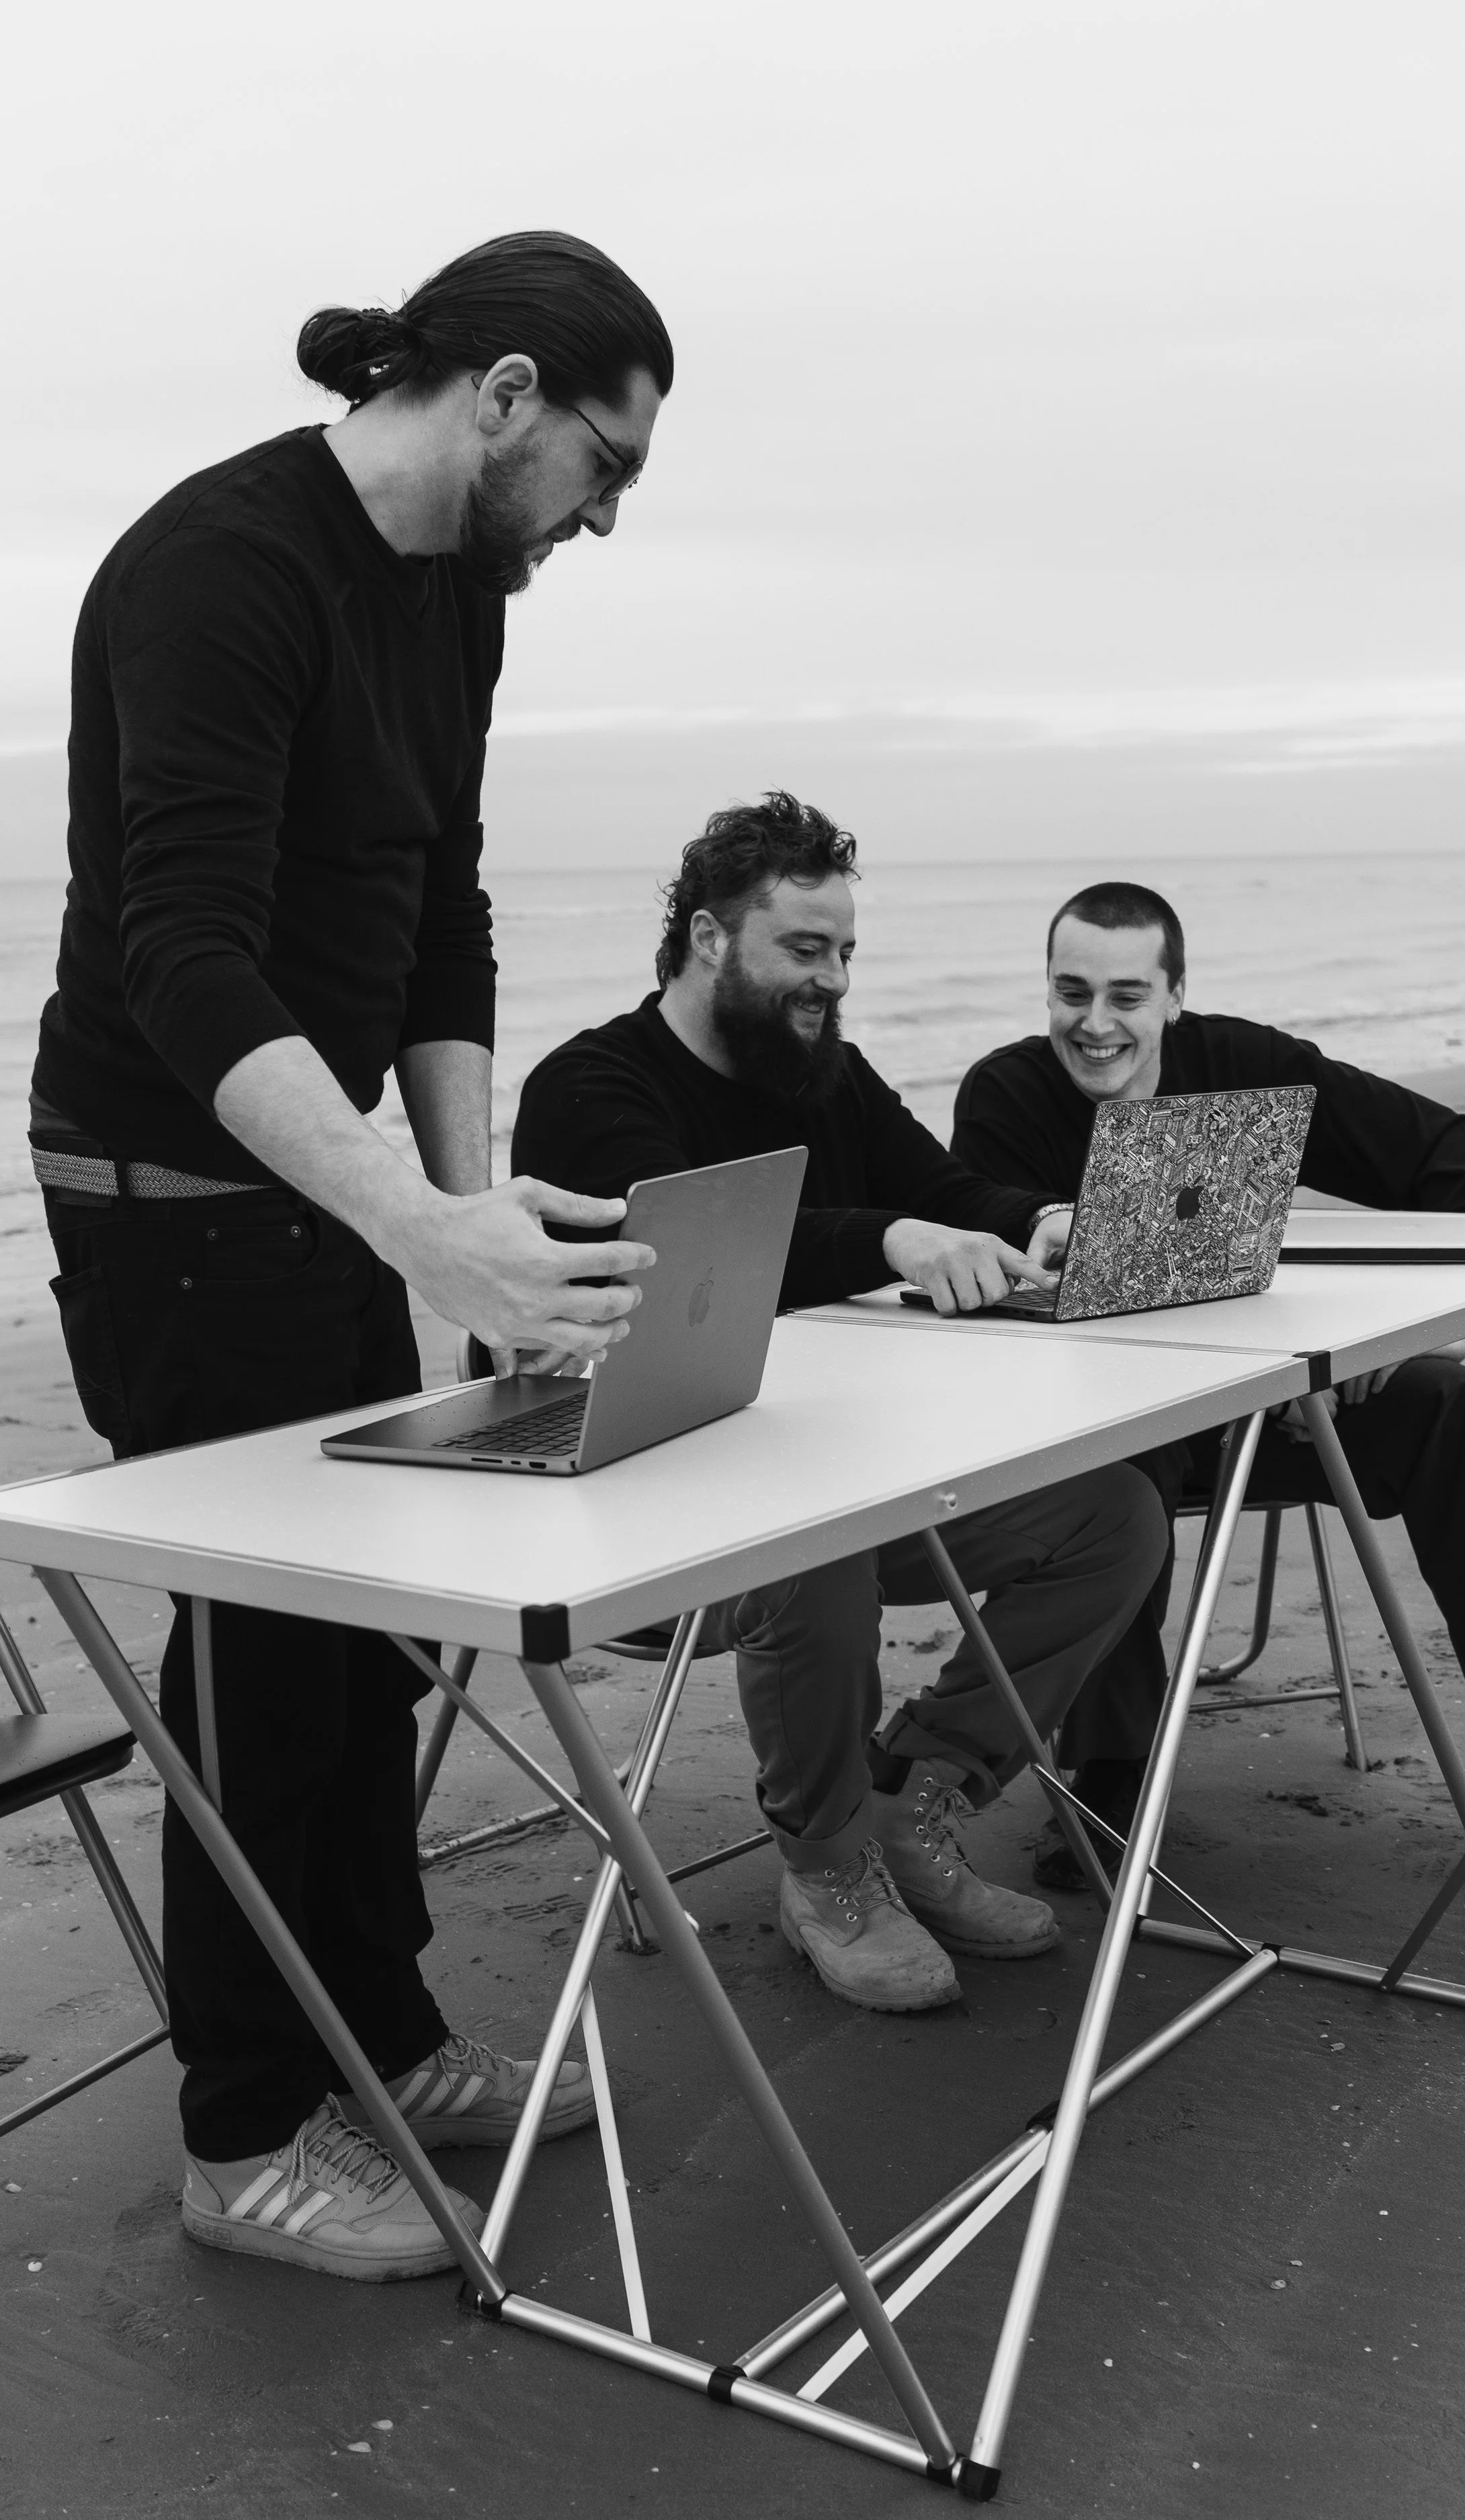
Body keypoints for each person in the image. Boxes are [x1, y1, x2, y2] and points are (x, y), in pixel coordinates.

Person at [30, 233, 677, 2279]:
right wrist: (416, 1218)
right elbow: (185, 952)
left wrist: (474, 1208)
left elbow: (440, 912)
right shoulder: (220, 567)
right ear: (501, 393)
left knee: (364, 1639)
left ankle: (380, 2034)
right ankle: (240, 2138)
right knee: (253, 1667)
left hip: (328, 1194)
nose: (601, 516)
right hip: (166, 1192)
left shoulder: (455, 595)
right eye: (603, 461)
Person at [512, 796, 1169, 2012]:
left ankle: (915, 1794)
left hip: (833, 1465)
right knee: (819, 1540)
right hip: (629, 1501)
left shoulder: (825, 1070)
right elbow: (695, 1256)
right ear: (711, 939)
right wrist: (895, 1238)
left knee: (1114, 1517)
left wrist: (1039, 1219)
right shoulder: (590, 1087)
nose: (834, 982)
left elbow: (941, 1182)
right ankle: (824, 1868)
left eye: (848, 953)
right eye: (806, 951)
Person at [951, 880, 1465, 1927]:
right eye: (1071, 992)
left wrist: (1423, 1328)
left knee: (1460, 1411)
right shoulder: (1006, 1094)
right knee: (1114, 1464)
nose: (1095, 1023)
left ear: (1175, 998)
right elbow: (982, 1248)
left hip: (1284, 1405)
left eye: (1125, 994)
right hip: (1111, 1428)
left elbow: (1447, 1153)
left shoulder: (1246, 1066)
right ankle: (1111, 1767)